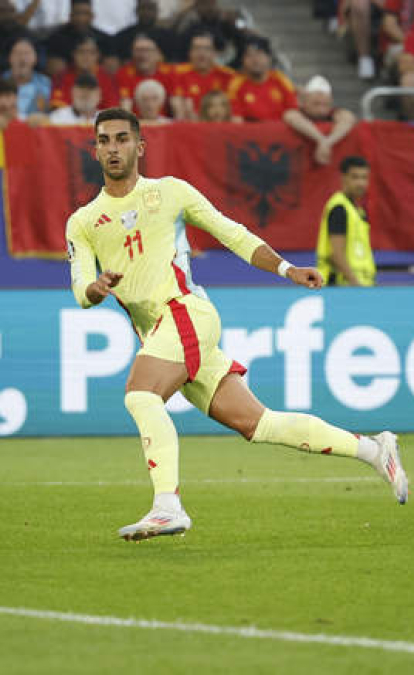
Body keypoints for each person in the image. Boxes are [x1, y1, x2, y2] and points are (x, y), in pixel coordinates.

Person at [64, 108, 407, 541]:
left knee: (141, 395)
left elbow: (233, 234)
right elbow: (81, 292)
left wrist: (287, 269)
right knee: (260, 424)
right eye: (104, 140)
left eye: (121, 139)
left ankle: (167, 506)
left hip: (187, 312)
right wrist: (96, 288)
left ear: (140, 147)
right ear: (95, 151)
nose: (113, 148)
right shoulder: (83, 222)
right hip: (160, 331)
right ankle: (375, 450)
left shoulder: (170, 193)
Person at [316, 156, 375, 287]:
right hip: (343, 286)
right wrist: (356, 285)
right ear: (343, 178)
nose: (361, 183)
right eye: (355, 177)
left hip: (360, 285)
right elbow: (336, 254)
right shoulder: (339, 208)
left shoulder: (358, 211)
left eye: (364, 178)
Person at [282, 75, 358, 167]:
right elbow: (291, 117)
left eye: (325, 104)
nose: (321, 109)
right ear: (304, 103)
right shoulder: (296, 113)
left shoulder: (335, 113)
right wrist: (321, 139)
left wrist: (327, 142)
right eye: (316, 104)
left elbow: (348, 118)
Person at [225, 37, 296, 123]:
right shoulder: (236, 85)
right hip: (250, 134)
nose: (255, 60)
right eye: (249, 55)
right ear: (242, 61)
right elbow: (236, 119)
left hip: (280, 133)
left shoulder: (280, 79)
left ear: (269, 58)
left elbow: (293, 110)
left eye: (259, 54)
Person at [169, 30, 234, 122]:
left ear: (214, 53)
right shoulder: (178, 73)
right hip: (190, 127)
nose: (201, 54)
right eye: (197, 48)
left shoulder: (227, 75)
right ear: (190, 52)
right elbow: (179, 111)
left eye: (207, 49)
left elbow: (232, 111)